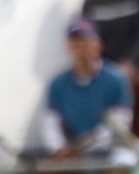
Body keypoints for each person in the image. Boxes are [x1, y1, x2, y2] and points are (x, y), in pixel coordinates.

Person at [45, 19, 133, 157]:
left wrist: (85, 146)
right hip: (71, 146)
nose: (81, 51)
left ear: (98, 46)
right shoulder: (58, 83)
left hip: (108, 148)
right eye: (76, 45)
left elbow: (120, 121)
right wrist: (59, 147)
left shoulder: (116, 79)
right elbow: (51, 122)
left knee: (124, 159)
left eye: (86, 44)